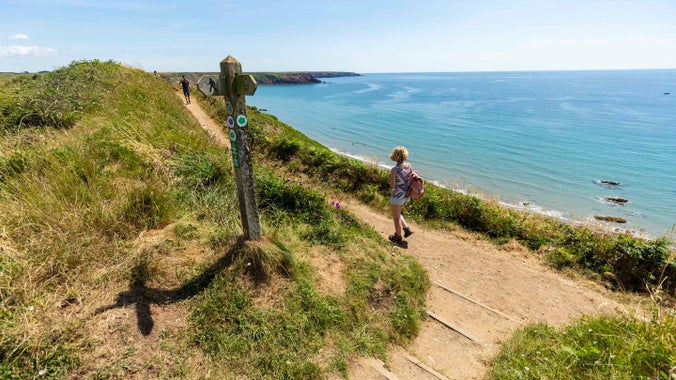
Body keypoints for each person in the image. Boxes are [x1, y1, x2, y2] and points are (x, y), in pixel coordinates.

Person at [388, 146, 414, 247]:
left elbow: (392, 185)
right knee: (398, 213)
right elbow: (409, 179)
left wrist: (390, 178)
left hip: (397, 195)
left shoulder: (394, 169)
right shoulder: (409, 166)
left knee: (396, 217)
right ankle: (406, 229)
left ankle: (398, 238)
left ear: (394, 156)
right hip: (405, 195)